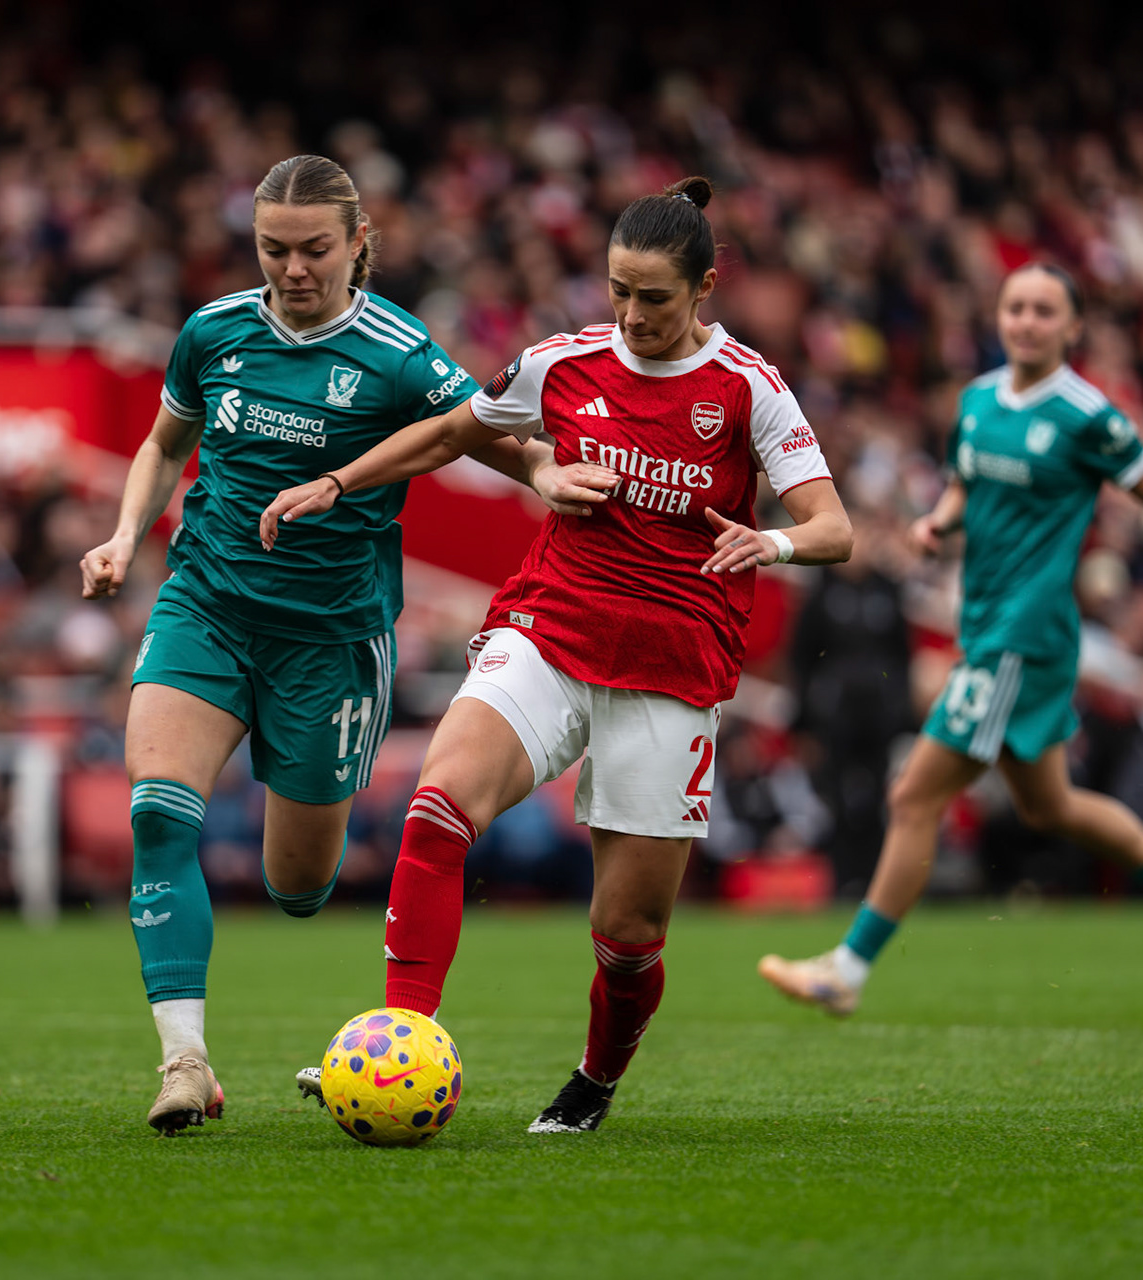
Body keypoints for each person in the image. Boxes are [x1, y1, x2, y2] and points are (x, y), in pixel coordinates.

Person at [267, 178, 852, 1132]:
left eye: (655, 297)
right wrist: (338, 480)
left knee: (627, 937)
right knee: (435, 805)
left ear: (703, 289)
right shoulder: (561, 363)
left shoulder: (749, 386)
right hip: (551, 629)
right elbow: (454, 433)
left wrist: (772, 542)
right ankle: (398, 1039)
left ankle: (593, 1082)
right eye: (618, 290)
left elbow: (834, 527)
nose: (632, 314)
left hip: (672, 666)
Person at [77, 155, 611, 1134]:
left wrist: (544, 470)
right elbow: (162, 444)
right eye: (273, 248)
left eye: (314, 247)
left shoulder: (400, 352)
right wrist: (123, 534)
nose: (292, 267)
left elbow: (484, 430)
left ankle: (301, 898)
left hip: (330, 642)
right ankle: (184, 1060)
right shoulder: (215, 332)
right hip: (205, 604)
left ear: (358, 242)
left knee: (298, 883)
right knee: (160, 811)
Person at [759, 263, 1143, 1017]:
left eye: (1044, 310)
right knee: (1050, 806)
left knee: (913, 792)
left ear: (1072, 327)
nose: (1025, 321)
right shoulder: (979, 401)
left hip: (1024, 636)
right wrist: (939, 521)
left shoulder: (1088, 415)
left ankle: (846, 971)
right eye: (1015, 307)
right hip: (987, 625)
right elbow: (964, 482)